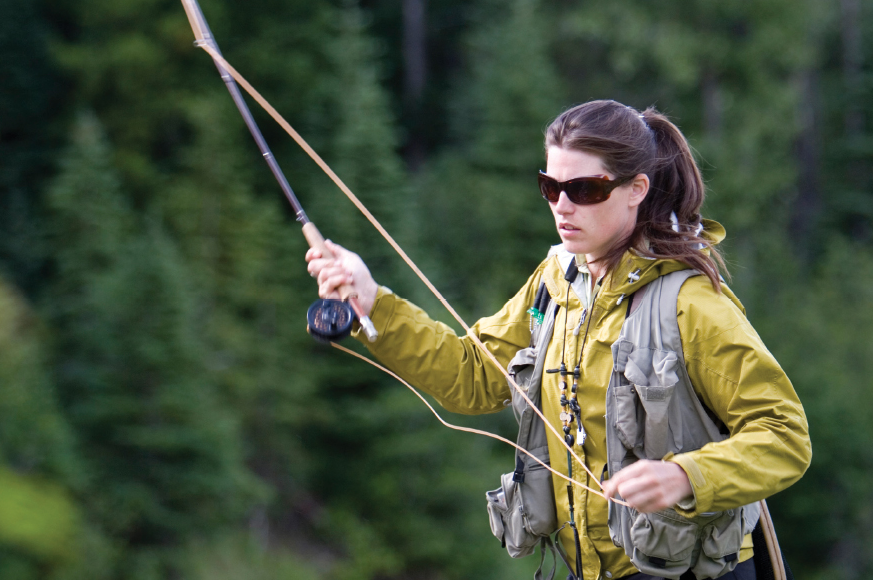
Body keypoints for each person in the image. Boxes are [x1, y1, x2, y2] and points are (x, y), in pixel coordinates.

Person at [305, 100, 811, 580]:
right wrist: (374, 304)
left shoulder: (693, 305)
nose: (563, 205)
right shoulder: (555, 282)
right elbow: (472, 377)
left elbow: (784, 435)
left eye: (585, 189)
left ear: (636, 188)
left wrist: (686, 478)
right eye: (551, 187)